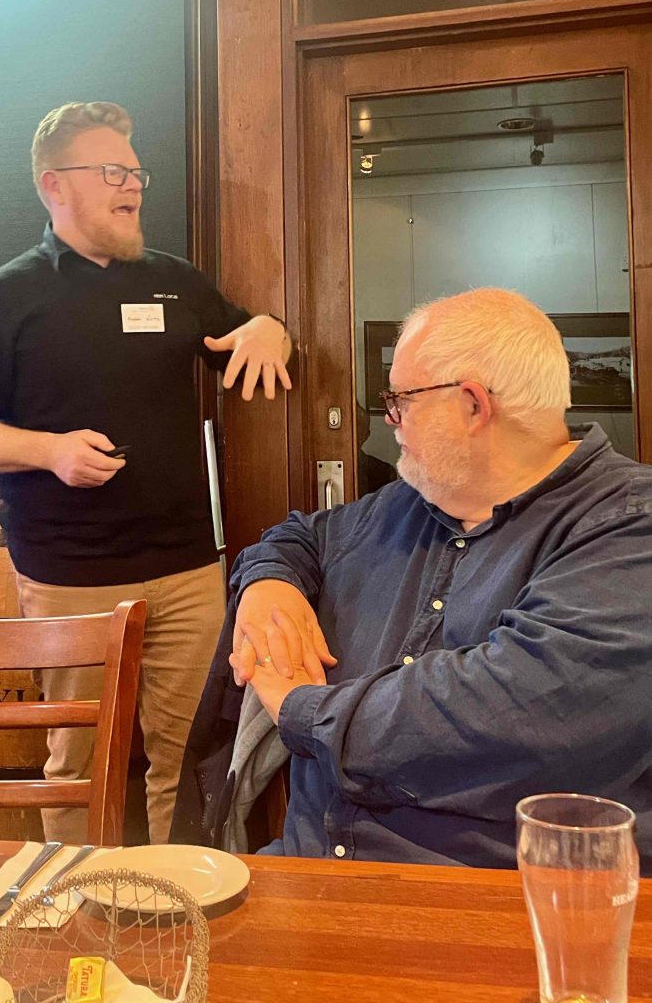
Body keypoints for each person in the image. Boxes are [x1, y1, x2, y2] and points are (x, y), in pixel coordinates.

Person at [175, 287, 652, 872]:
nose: (390, 419)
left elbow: (508, 708)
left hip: (491, 902)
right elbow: (301, 535)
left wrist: (299, 707)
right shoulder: (411, 503)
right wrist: (268, 583)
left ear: (473, 405)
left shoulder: (629, 527)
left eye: (401, 399)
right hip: (306, 872)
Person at [0, 100, 292, 845]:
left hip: (189, 570)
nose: (133, 186)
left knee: (186, 758)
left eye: (135, 172)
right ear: (54, 185)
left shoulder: (175, 282)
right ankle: (76, 900)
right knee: (80, 762)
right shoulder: (5, 296)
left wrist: (270, 329)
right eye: (112, 172)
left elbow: (243, 333)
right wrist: (49, 451)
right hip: (71, 575)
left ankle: (176, 897)